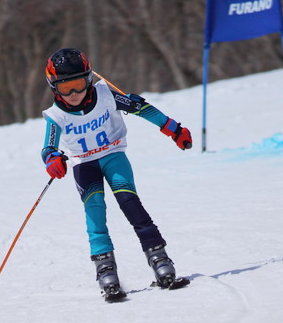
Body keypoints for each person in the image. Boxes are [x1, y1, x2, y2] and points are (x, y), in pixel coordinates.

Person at [41, 48, 193, 302]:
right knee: (95, 211)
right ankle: (105, 268)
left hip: (113, 156)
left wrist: (173, 129)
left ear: (89, 78)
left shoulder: (106, 95)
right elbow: (48, 146)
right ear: (54, 87)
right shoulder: (56, 115)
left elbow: (142, 108)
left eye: (79, 85)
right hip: (84, 164)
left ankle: (159, 258)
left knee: (130, 204)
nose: (75, 94)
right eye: (66, 88)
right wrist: (52, 159)